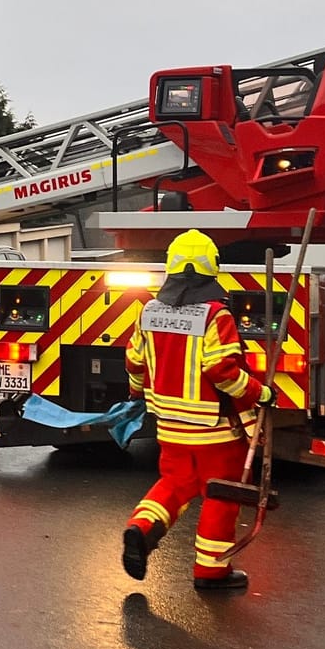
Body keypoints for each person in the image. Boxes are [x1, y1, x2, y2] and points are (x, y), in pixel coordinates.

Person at [119, 230, 268, 594]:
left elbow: (134, 362)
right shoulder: (216, 315)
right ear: (211, 268)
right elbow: (222, 372)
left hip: (169, 426)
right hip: (214, 431)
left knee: (174, 485)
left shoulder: (149, 312)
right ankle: (211, 572)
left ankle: (139, 529)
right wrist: (260, 393)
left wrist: (137, 391)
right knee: (222, 494)